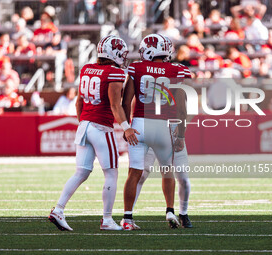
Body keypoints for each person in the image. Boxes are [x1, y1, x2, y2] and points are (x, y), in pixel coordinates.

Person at [48, 35, 138, 231]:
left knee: (81, 171)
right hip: (100, 127)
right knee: (112, 173)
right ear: (113, 54)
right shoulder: (113, 73)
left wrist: (84, 122)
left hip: (84, 125)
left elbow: (79, 102)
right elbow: (115, 105)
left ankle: (59, 209)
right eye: (121, 54)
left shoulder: (87, 69)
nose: (123, 57)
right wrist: (126, 127)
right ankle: (106, 219)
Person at [121, 34, 190, 230]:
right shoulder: (176, 70)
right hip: (163, 125)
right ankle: (170, 211)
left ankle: (128, 218)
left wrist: (126, 127)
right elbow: (181, 107)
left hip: (141, 123)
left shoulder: (136, 67)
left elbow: (126, 101)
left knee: (134, 173)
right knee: (167, 171)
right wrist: (182, 134)